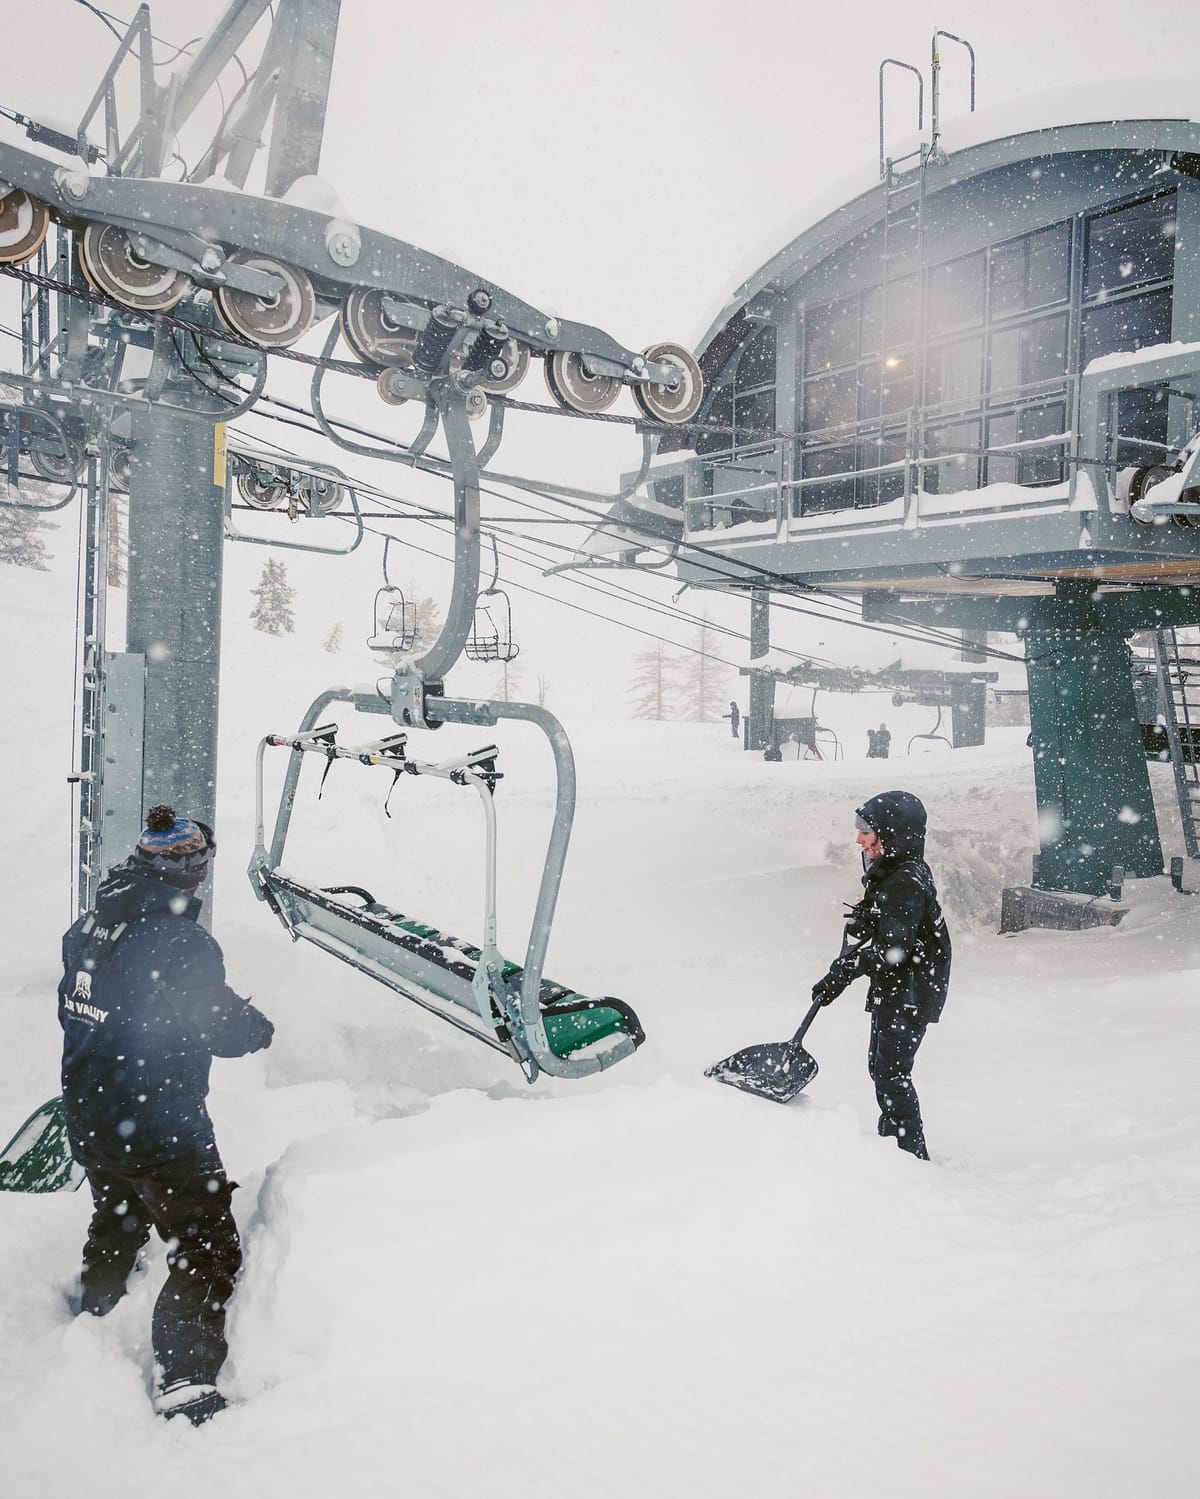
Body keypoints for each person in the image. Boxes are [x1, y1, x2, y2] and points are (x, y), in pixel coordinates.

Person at [57, 805, 273, 1427]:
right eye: (200, 861)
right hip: (157, 1123)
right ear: (190, 869)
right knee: (206, 1246)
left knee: (120, 1210)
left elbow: (76, 1007)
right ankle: (185, 1380)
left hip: (91, 1109)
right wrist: (255, 1027)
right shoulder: (180, 940)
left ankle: (96, 1310)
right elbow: (222, 1028)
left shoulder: (94, 920)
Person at [810, 791, 951, 1161]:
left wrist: (845, 971)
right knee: (883, 1067)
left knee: (890, 1073)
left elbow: (896, 950)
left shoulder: (903, 879)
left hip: (912, 987)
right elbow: (898, 929)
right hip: (906, 984)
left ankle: (908, 1156)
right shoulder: (898, 868)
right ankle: (896, 1149)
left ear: (894, 833)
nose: (859, 839)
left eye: (867, 832)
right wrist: (870, 918)